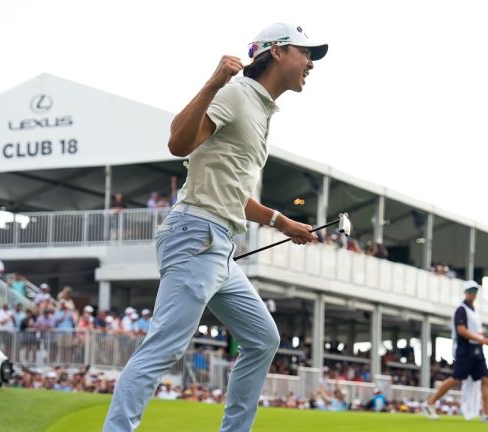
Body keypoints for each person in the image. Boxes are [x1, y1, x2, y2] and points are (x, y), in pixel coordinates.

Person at [103, 22, 328, 432]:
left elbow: (230, 191)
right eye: (305, 52)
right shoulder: (237, 93)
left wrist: (282, 221)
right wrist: (213, 81)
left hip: (217, 243)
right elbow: (177, 143)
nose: (310, 62)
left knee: (263, 338)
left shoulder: (259, 107)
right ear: (276, 52)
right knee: (163, 348)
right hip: (196, 234)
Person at [422, 281, 488, 423]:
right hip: (465, 349)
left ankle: (487, 413)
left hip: (477, 350)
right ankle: (429, 403)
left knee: (486, 379)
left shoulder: (474, 310)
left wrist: (481, 340)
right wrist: (481, 339)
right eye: (470, 291)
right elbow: (462, 330)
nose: (473, 294)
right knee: (456, 378)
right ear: (465, 292)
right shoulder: (461, 310)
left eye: (475, 291)